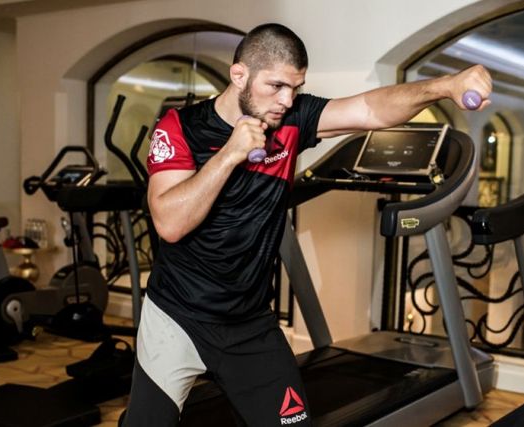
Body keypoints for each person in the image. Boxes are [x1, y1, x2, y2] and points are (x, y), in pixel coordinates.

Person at [121, 23, 491, 427]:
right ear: (239, 74)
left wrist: (444, 86)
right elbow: (170, 224)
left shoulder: (292, 118)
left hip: (249, 323)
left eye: (295, 88)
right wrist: (229, 154)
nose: (286, 100)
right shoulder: (180, 127)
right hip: (176, 317)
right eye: (276, 86)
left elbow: (370, 110)